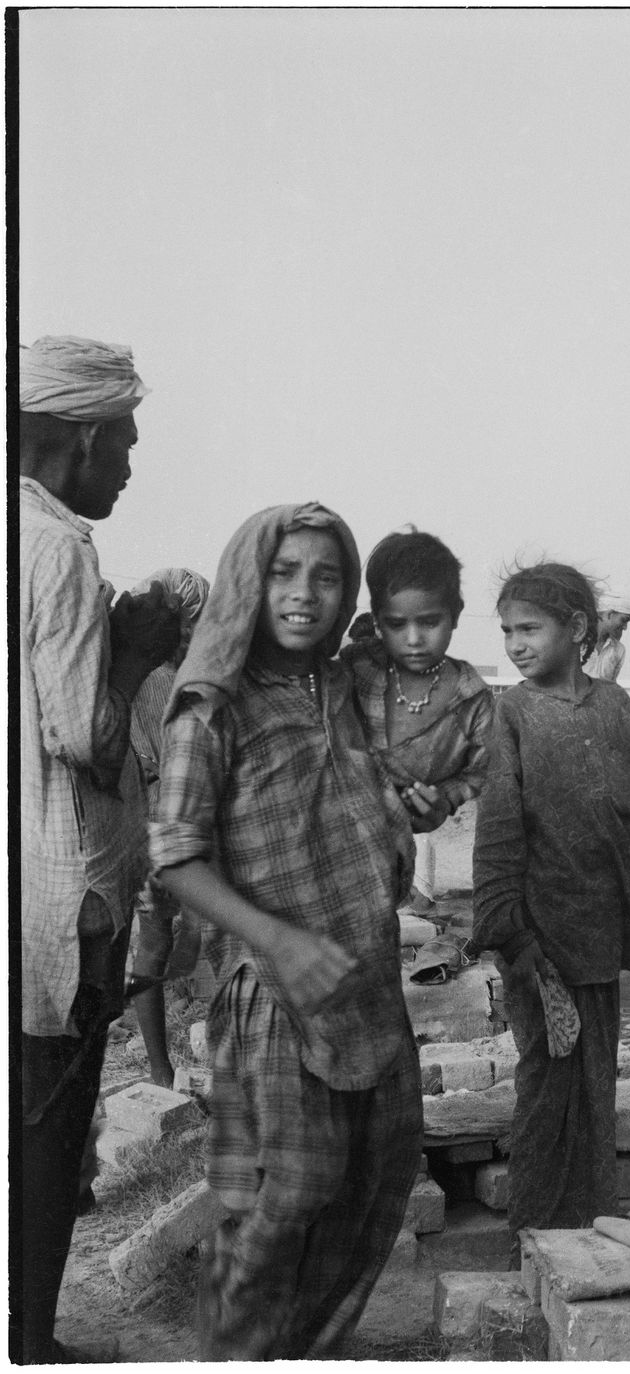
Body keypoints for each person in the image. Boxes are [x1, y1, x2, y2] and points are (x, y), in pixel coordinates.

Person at [152, 504, 428, 1359]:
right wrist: (278, 940)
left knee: (375, 1188)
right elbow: (174, 858)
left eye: (327, 574)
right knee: (282, 1200)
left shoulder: (353, 688)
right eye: (284, 573)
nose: (305, 593)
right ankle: (234, 1355)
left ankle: (301, 1353)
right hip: (272, 993)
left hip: (369, 978)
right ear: (250, 583)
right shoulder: (212, 709)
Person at [18, 336, 180, 1363]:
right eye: (121, 442)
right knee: (48, 1133)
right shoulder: (59, 550)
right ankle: (31, 1341)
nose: (127, 463)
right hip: (63, 892)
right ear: (81, 437)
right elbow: (84, 734)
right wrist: (137, 650)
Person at [471, 562, 630, 1240]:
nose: (515, 644)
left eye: (529, 628)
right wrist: (511, 934)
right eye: (507, 631)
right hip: (539, 940)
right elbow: (500, 829)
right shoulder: (512, 711)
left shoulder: (614, 704)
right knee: (545, 1088)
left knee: (596, 1087)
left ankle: (588, 1227)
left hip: (601, 931)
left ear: (576, 629)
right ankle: (535, 1237)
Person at [344, 530, 495, 918]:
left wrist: (444, 799)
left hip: (389, 872)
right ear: (377, 620)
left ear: (456, 613)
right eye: (396, 624)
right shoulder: (353, 671)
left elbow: (481, 773)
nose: (414, 639)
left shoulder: (472, 699)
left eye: (430, 622)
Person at [128, 567, 212, 1090]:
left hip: (145, 817)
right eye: (188, 630)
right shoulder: (164, 681)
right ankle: (164, 1066)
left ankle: (161, 1069)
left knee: (155, 942)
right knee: (192, 935)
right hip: (174, 816)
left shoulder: (140, 673)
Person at [583, 588, 630, 683]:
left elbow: (611, 687)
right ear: (609, 614)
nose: (625, 627)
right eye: (624, 620)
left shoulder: (618, 650)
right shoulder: (577, 642)